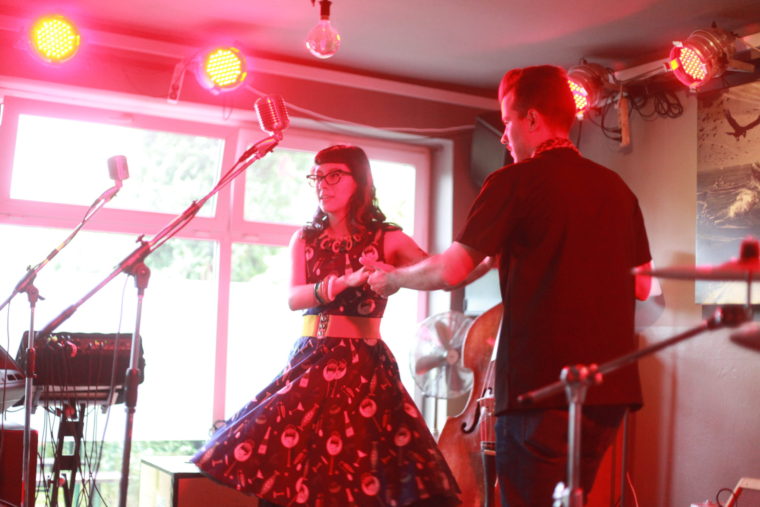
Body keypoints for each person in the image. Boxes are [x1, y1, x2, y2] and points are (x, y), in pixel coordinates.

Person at [368, 65, 652, 506]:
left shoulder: (513, 181)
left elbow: (450, 271)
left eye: (507, 122)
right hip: (608, 392)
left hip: (540, 389)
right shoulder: (617, 188)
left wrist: (391, 279)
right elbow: (643, 286)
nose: (504, 137)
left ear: (532, 119)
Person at [192, 144, 461, 506]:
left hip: (364, 365)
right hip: (311, 359)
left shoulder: (388, 237)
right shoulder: (304, 238)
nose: (323, 184)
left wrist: (397, 275)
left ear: (360, 181)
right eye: (317, 177)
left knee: (361, 468)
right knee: (280, 459)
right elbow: (294, 298)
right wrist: (344, 282)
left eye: (334, 175)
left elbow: (438, 273)